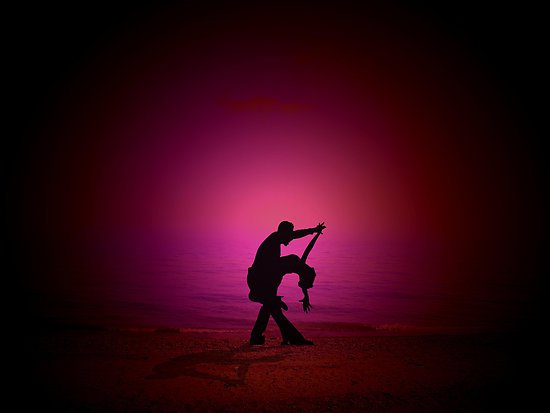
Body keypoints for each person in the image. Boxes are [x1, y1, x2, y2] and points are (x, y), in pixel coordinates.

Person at [247, 221, 326, 345]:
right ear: (283, 232)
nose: (290, 238)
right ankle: (294, 339)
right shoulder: (274, 241)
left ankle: (259, 337)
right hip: (259, 281)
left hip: (264, 279)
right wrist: (313, 231)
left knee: (271, 307)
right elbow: (295, 236)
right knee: (272, 306)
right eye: (289, 234)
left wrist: (314, 230)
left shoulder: (277, 241)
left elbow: (296, 235)